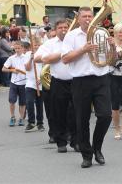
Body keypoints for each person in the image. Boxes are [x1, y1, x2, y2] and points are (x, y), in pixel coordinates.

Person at [61, 7, 113, 168]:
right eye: (84, 16)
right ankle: (87, 154)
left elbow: (111, 60)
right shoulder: (72, 36)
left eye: (90, 16)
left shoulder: (102, 33)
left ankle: (97, 148)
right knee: (82, 119)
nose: (88, 19)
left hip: (101, 78)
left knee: (105, 116)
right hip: (81, 81)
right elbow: (65, 58)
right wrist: (83, 49)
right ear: (79, 19)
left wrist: (113, 47)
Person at [41, 19, 77, 151]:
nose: (63, 29)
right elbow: (45, 59)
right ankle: (61, 142)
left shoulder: (75, 41)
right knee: (59, 113)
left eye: (66, 27)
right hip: (58, 82)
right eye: (60, 27)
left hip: (76, 81)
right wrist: (63, 52)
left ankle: (76, 141)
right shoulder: (50, 43)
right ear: (55, 30)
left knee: (76, 113)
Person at [2, 41, 26, 126]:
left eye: (19, 48)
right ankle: (12, 117)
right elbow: (3, 69)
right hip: (14, 83)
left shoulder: (26, 57)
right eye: (16, 48)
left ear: (23, 48)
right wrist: (12, 70)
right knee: (12, 101)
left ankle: (21, 118)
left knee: (22, 102)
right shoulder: (11, 58)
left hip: (24, 82)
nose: (17, 50)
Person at [24, 39, 45, 133]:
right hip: (30, 83)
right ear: (31, 46)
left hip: (40, 82)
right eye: (34, 45)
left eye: (38, 45)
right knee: (29, 101)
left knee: (39, 104)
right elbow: (27, 68)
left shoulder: (43, 54)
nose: (36, 47)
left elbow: (47, 68)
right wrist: (31, 58)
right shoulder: (27, 54)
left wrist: (41, 79)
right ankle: (31, 122)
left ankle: (40, 123)